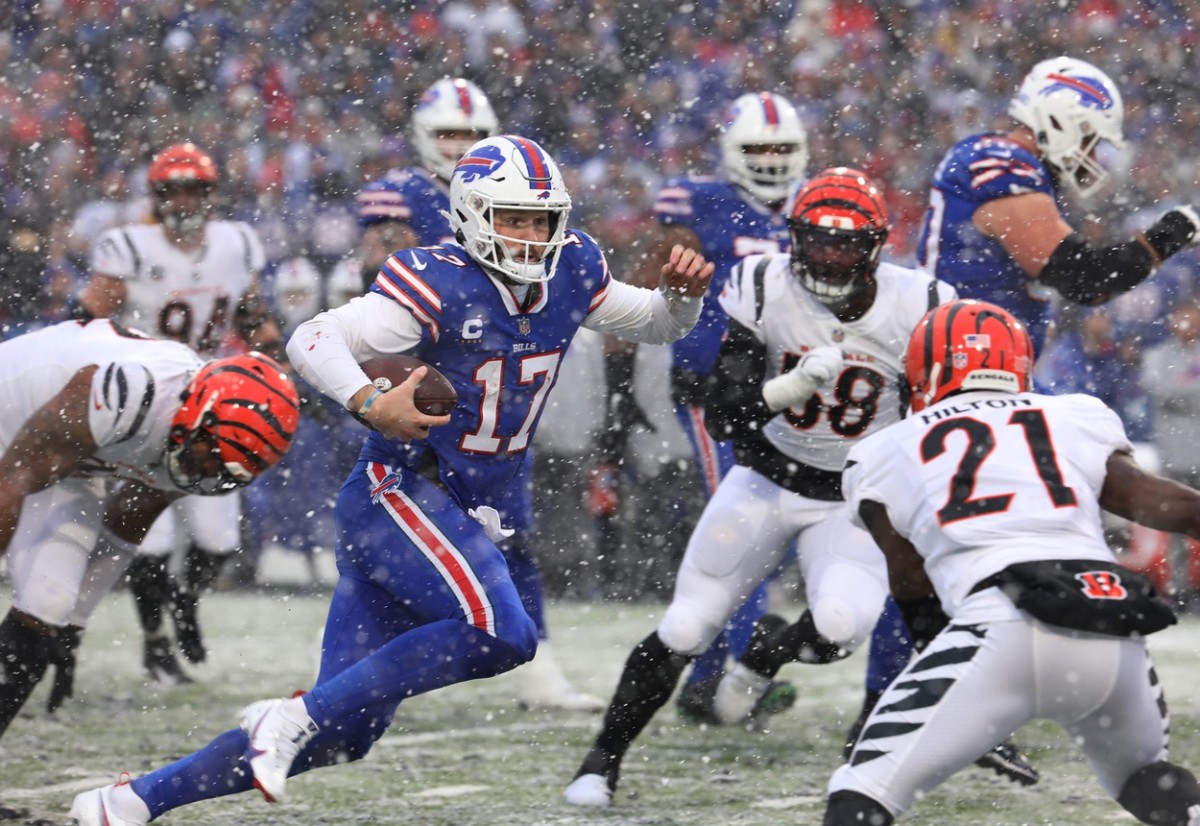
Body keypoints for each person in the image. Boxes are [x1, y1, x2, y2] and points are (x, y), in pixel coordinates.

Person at [68, 134, 714, 825]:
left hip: (451, 510)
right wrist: (371, 402)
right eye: (511, 219)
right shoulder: (437, 279)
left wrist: (682, 303)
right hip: (400, 495)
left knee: (342, 736)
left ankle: (130, 802)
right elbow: (311, 339)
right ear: (470, 214)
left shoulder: (574, 268)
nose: (529, 237)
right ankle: (286, 720)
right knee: (504, 632)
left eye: (540, 220)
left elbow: (653, 322)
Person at [846, 54, 1200, 772]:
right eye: (1092, 139)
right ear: (1064, 118)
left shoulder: (1016, 167)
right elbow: (1080, 274)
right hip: (953, 379)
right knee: (932, 549)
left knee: (960, 548)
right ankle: (895, 706)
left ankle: (949, 705)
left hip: (982, 381)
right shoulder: (994, 159)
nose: (1094, 157)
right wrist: (1170, 234)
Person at [564, 168, 957, 808]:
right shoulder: (760, 283)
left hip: (853, 503)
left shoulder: (922, 304)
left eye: (847, 243)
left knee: (840, 625)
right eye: (818, 241)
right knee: (686, 627)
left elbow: (937, 421)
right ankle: (600, 762)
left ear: (877, 244)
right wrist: (795, 385)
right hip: (767, 481)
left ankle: (766, 654)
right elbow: (724, 413)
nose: (831, 256)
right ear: (793, 238)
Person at [824, 298, 1200, 826]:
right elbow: (1161, 503)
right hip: (1110, 624)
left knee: (862, 791)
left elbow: (908, 575)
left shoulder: (884, 449)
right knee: (1149, 781)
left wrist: (935, 645)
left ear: (925, 368)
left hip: (999, 625)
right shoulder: (1072, 414)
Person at [601, 90, 809, 723]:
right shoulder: (700, 204)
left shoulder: (817, 206)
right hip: (717, 389)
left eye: (780, 148)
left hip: (797, 389)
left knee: (784, 531)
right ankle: (723, 676)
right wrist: (619, 377)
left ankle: (727, 665)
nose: (770, 161)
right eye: (757, 149)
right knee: (742, 527)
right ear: (730, 153)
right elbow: (641, 287)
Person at [0, 318, 299, 741]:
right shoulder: (132, 393)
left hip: (76, 456)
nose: (206, 476)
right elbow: (10, 483)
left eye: (223, 472)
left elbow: (125, 524)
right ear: (195, 416)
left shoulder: (203, 443)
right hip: (12, 413)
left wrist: (73, 625)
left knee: (50, 603)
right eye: (208, 459)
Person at [72, 142, 286, 686]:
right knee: (151, 541)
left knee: (218, 541)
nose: (184, 199)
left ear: (211, 195)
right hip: (148, 408)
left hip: (215, 406)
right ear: (157, 196)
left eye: (195, 189)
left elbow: (253, 313)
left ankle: (185, 599)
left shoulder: (235, 244)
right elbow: (87, 321)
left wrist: (276, 360)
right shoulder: (129, 247)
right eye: (174, 189)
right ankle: (155, 643)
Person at [385, 77, 499, 247]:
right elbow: (383, 270)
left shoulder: (500, 191)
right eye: (450, 135)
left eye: (471, 135)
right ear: (426, 135)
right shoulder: (401, 194)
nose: (461, 147)